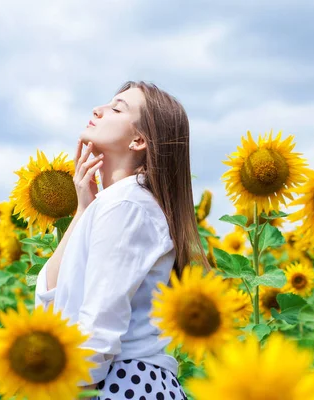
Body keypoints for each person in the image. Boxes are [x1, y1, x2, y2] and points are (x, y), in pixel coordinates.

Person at [35, 80, 210, 400]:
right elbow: (51, 305)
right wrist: (82, 209)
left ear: (139, 139)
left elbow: (98, 332)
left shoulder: (127, 204)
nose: (98, 110)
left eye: (116, 108)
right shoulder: (118, 204)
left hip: (121, 385)